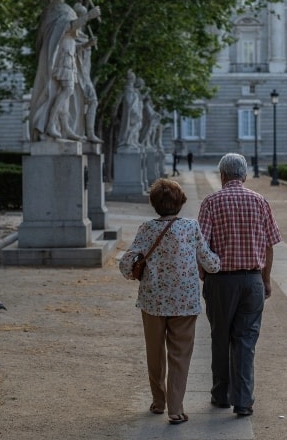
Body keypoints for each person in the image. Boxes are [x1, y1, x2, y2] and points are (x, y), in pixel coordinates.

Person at [119, 179, 220, 425]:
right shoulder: (191, 227)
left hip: (153, 300)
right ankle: (175, 409)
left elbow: (126, 264)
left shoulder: (146, 228)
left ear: (154, 204)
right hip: (184, 301)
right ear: (180, 202)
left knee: (154, 352)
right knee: (180, 355)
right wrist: (218, 263)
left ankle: (158, 401)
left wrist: (133, 271)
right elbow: (209, 262)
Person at [197, 153, 282, 417]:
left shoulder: (211, 202)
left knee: (220, 337)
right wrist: (265, 279)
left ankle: (221, 395)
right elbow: (270, 245)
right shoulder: (260, 201)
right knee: (246, 341)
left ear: (222, 175)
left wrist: (204, 275)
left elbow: (201, 246)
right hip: (252, 280)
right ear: (243, 176)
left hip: (221, 281)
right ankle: (243, 400)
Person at [28, 0, 100, 141]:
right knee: (66, 89)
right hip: (60, 53)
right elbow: (66, 28)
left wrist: (86, 43)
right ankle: (51, 124)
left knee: (66, 91)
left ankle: (65, 127)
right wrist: (88, 16)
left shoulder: (67, 8)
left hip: (69, 51)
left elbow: (74, 32)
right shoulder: (54, 8)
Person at [72, 2, 103, 143]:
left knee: (93, 101)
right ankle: (80, 132)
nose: (84, 21)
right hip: (75, 75)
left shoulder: (83, 35)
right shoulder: (71, 34)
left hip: (85, 75)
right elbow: (69, 49)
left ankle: (90, 133)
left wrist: (87, 43)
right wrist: (86, 45)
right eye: (82, 17)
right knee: (78, 106)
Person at [116, 70, 143, 150]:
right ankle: (128, 140)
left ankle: (132, 141)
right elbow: (128, 102)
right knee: (135, 125)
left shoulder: (132, 89)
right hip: (132, 112)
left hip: (134, 112)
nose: (133, 80)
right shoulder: (128, 89)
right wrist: (133, 111)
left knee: (136, 126)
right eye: (133, 78)